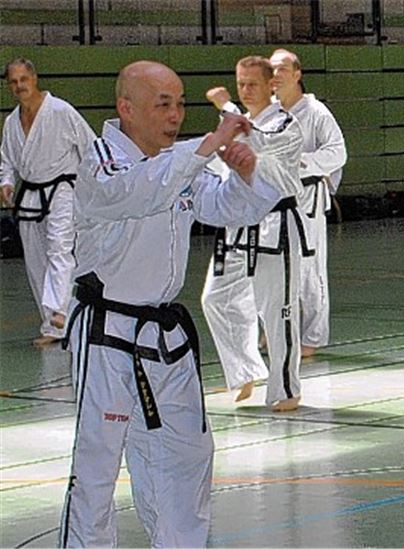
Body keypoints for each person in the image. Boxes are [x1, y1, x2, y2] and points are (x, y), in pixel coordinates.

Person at [61, 60, 278, 547]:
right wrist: (208, 145)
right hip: (106, 337)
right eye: (164, 104)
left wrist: (244, 176)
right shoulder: (100, 161)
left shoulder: (178, 160)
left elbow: (225, 208)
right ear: (126, 108)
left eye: (180, 103)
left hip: (163, 339)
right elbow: (141, 193)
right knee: (97, 470)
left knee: (187, 455)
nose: (176, 114)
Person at [201, 56, 306, 411]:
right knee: (215, 298)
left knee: (278, 310)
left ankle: (287, 389)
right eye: (240, 83)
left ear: (271, 85)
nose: (245, 90)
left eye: (252, 84)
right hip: (238, 223)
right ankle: (245, 368)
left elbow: (256, 141)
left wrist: (226, 107)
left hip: (277, 224)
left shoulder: (285, 123)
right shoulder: (232, 121)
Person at [1, 58, 95, 346]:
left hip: (63, 190)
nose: (19, 86)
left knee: (59, 250)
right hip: (29, 193)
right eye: (14, 82)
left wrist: (94, 188)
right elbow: (6, 160)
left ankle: (61, 315)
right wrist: (5, 182)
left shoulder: (60, 110)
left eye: (23, 79)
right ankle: (52, 323)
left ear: (34, 78)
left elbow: (90, 146)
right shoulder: (11, 122)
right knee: (35, 258)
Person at [269, 49, 347, 359]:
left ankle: (313, 335)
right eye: (271, 69)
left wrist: (302, 162)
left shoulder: (316, 112)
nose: (275, 75)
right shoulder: (268, 112)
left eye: (282, 69)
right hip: (273, 197)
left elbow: (338, 153)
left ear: (297, 74)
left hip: (307, 198)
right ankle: (275, 329)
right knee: (273, 267)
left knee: (310, 270)